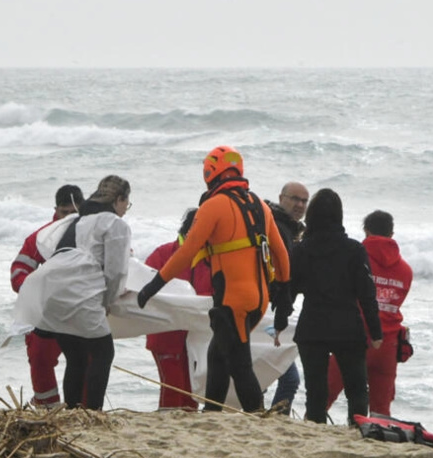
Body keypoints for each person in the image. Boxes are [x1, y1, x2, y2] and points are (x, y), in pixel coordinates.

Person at [138, 146, 290, 413]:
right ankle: (212, 412)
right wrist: (284, 292)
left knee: (240, 365)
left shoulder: (213, 205)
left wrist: (153, 285)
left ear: (210, 173)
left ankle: (258, 417)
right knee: (217, 355)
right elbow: (281, 254)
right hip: (259, 299)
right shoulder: (260, 206)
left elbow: (187, 252)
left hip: (233, 301)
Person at [277, 188, 382, 424]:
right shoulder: (354, 250)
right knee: (357, 388)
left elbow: (289, 291)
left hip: (312, 326)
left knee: (316, 391)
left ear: (312, 215)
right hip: (347, 327)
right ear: (339, 216)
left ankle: (316, 429)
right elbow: (367, 294)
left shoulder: (302, 250)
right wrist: (376, 332)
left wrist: (279, 322)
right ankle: (357, 429)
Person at [27, 175, 132, 410]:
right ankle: (93, 412)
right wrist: (108, 301)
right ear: (119, 199)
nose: (126, 209)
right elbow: (115, 271)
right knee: (103, 353)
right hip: (81, 295)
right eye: (127, 203)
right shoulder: (116, 224)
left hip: (54, 292)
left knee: (76, 358)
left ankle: (73, 412)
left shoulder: (81, 220)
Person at [325, 210, 413, 417]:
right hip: (388, 344)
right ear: (391, 234)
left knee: (324, 395)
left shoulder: (355, 258)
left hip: (354, 339)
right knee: (381, 410)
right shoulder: (406, 270)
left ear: (366, 231)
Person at [10, 184, 83, 408]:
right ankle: (46, 406)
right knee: (40, 355)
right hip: (48, 310)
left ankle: (84, 407)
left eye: (74, 212)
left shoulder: (94, 234)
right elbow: (18, 272)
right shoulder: (42, 237)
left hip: (82, 307)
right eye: (64, 212)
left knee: (87, 360)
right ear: (55, 210)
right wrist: (36, 291)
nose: (68, 217)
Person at [144, 208, 211, 411]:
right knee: (173, 387)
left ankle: (186, 427)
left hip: (198, 337)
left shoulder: (211, 258)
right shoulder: (163, 254)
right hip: (166, 335)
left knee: (192, 392)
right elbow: (144, 288)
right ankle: (167, 424)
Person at [265, 181, 309, 414]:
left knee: (267, 370)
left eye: (304, 201)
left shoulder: (289, 229)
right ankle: (271, 418)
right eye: (295, 199)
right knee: (289, 378)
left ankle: (262, 416)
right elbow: (283, 274)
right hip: (266, 310)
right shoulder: (277, 227)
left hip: (271, 310)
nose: (300, 205)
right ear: (281, 198)